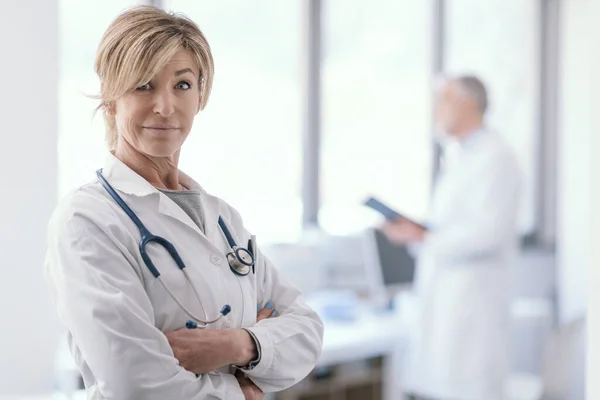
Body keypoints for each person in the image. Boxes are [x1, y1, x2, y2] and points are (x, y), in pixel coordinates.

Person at [45, 6, 324, 400]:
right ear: (111, 97)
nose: (165, 106)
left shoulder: (224, 219)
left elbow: (307, 331)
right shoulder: (86, 220)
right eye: (143, 85)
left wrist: (238, 346)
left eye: (182, 85)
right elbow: (136, 382)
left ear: (200, 95)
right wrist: (242, 391)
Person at [383, 75, 522, 400]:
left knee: (467, 385)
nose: (436, 110)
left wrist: (425, 237)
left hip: (472, 305)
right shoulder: (463, 157)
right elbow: (452, 225)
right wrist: (419, 234)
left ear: (467, 104)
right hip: (447, 301)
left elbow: (487, 234)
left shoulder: (496, 157)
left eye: (443, 100)